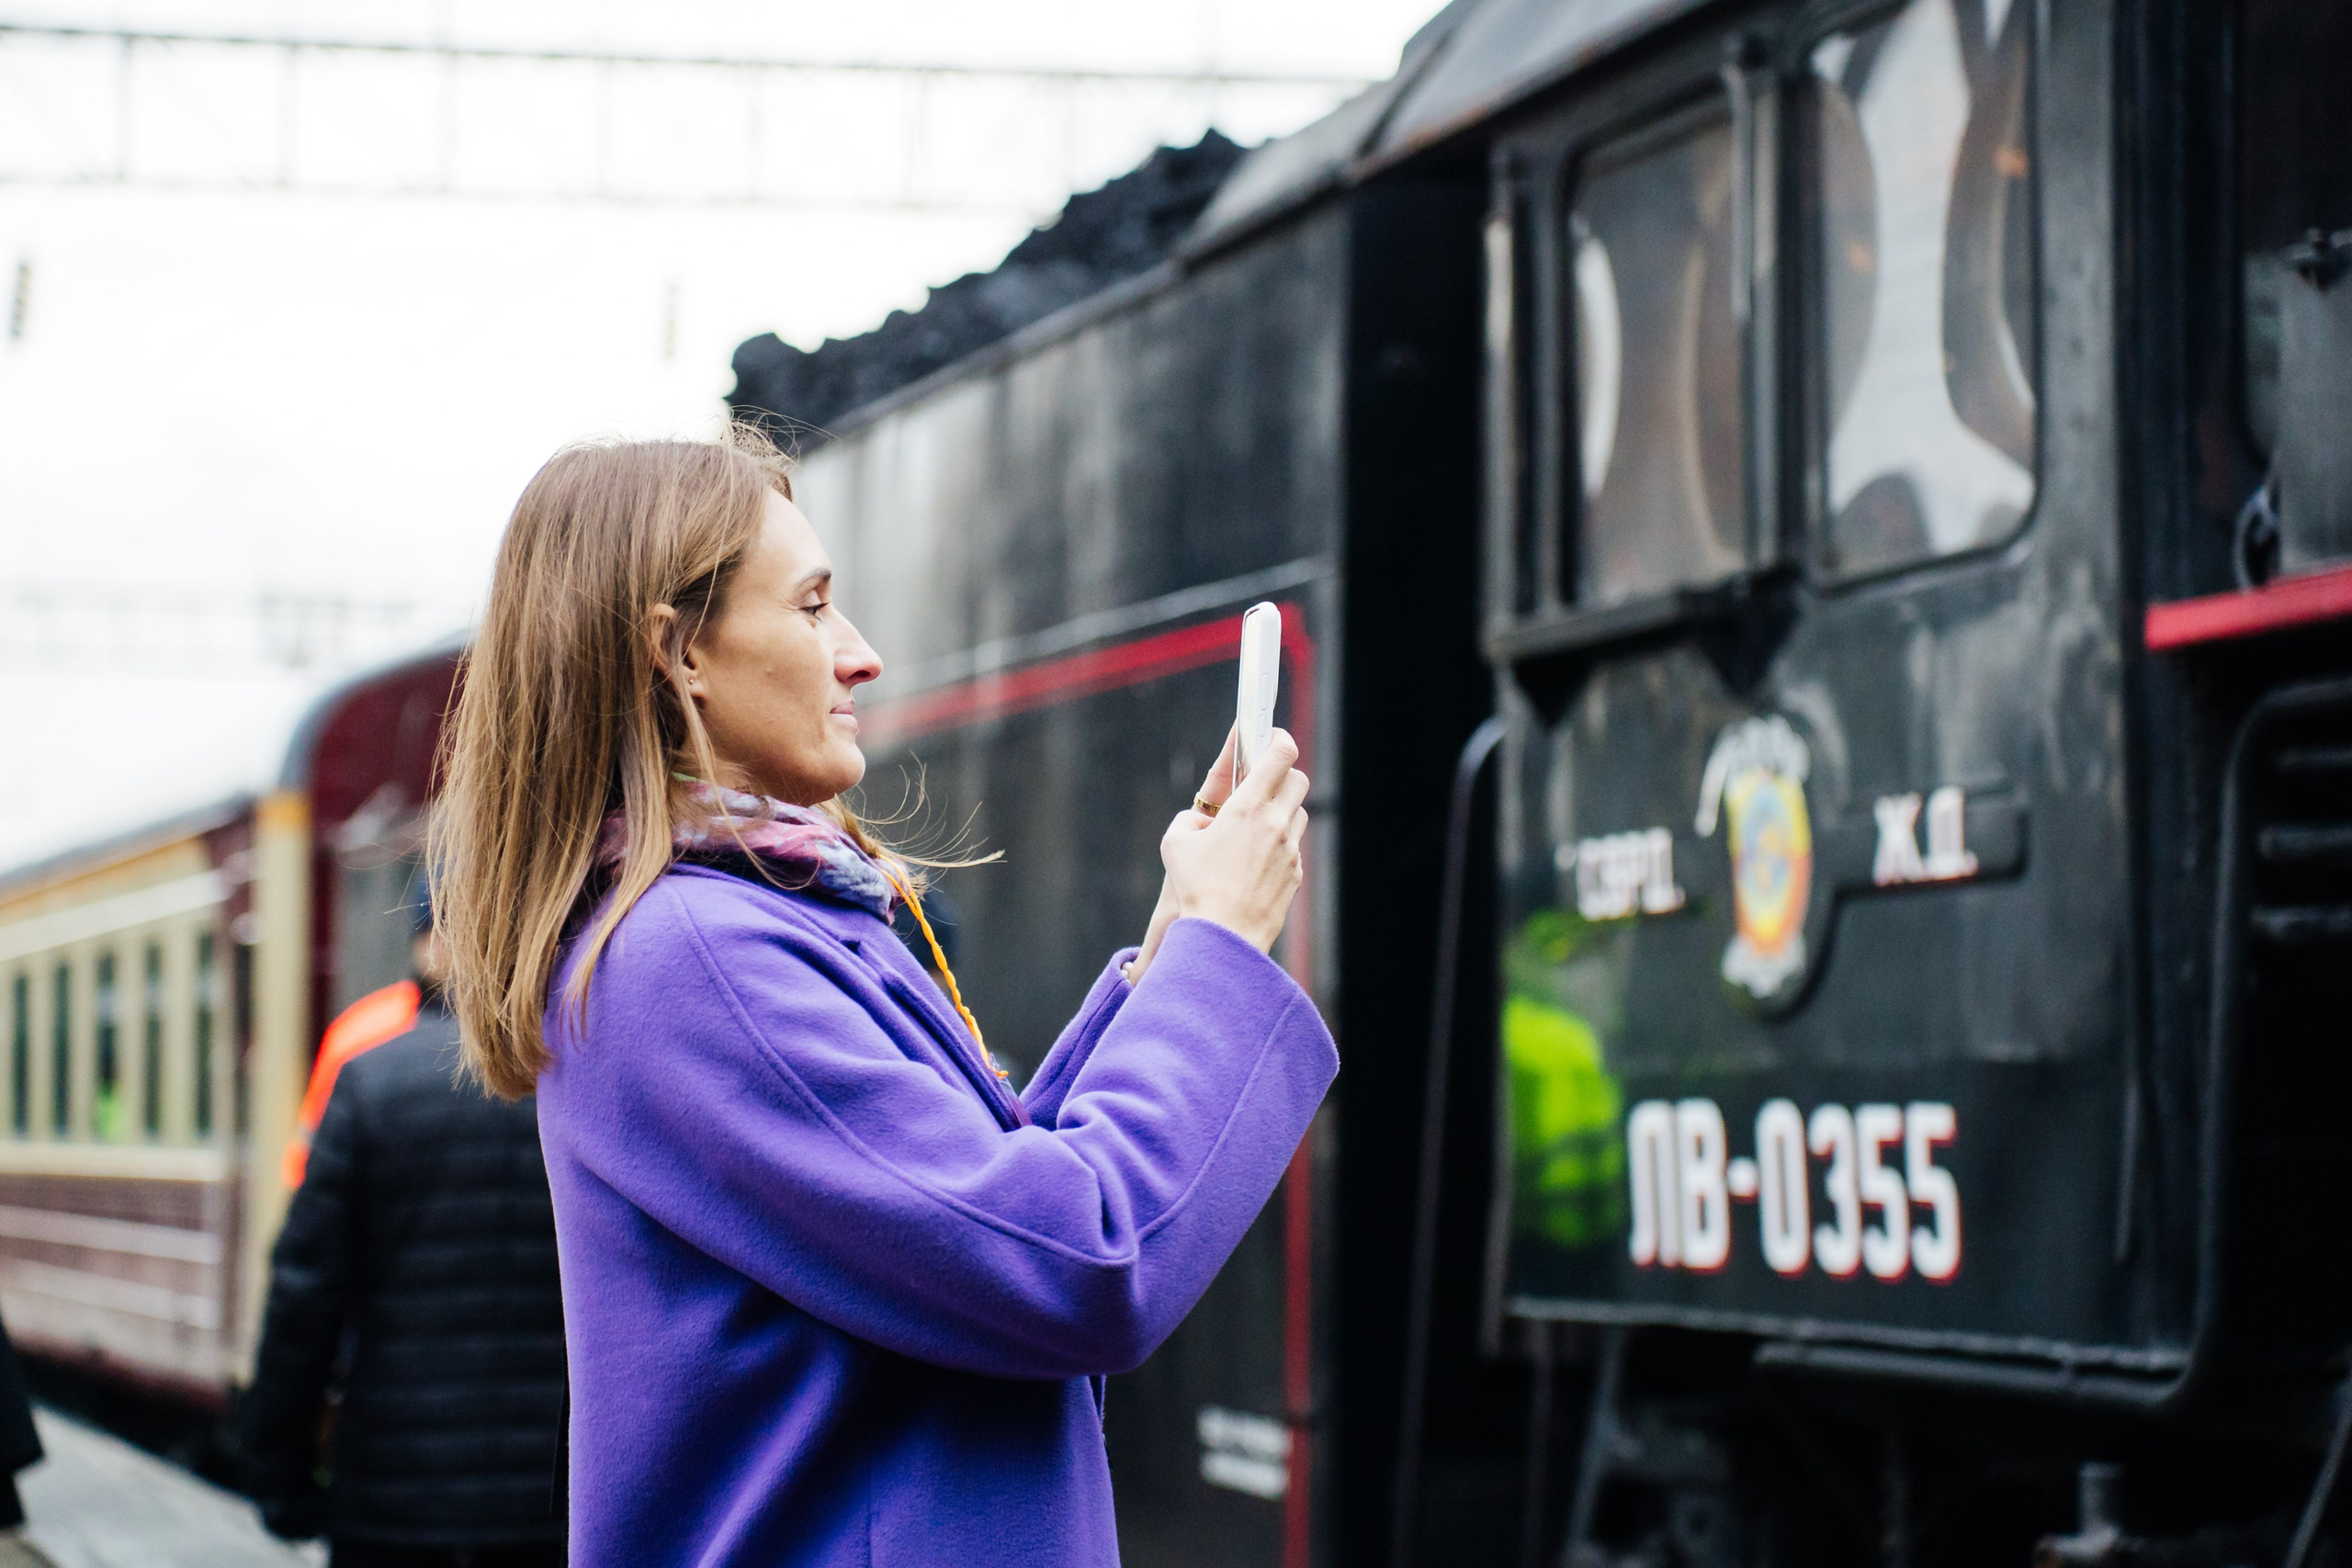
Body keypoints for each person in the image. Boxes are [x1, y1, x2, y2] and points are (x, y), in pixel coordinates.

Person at [431, 431, 1337, 1567]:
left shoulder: (731, 928)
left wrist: (1167, 962)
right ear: (678, 654)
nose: (859, 655)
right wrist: (1217, 954)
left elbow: (985, 1215)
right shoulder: (699, 958)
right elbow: (1079, 1267)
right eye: (811, 608)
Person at [239, 897, 567, 1567]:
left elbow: (302, 1297)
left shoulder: (368, 1082)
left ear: (426, 947)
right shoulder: (580, 1075)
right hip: (555, 1503)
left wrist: (281, 1474)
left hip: (393, 1500)